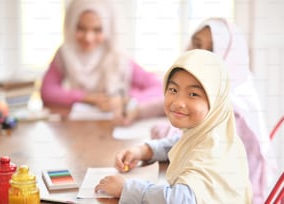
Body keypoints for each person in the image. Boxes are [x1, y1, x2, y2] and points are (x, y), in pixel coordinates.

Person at [95, 49, 252, 203]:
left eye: (193, 94)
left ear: (215, 100)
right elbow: (182, 143)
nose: (177, 102)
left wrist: (127, 189)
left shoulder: (212, 149)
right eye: (173, 90)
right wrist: (145, 150)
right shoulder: (212, 133)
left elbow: (180, 200)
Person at [151, 18, 272, 203]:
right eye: (197, 45)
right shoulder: (206, 96)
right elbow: (189, 138)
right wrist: (149, 148)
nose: (200, 54)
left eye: (211, 50)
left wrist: (132, 190)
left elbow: (182, 196)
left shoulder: (234, 109)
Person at [41, 0, 164, 125]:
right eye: (81, 28)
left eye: (97, 30)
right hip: (78, 128)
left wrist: (124, 100)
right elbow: (47, 91)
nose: (88, 38)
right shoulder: (65, 53)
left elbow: (159, 88)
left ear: (108, 28)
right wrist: (89, 98)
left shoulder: (118, 57)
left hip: (114, 128)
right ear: (71, 24)